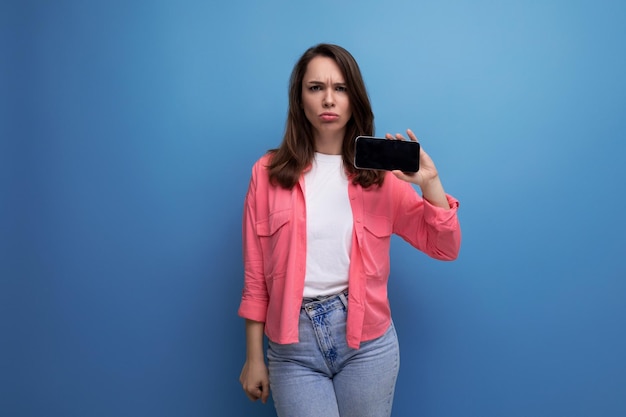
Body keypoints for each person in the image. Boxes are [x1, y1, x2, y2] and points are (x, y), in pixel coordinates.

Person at [238, 43, 461, 417]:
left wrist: (430, 184)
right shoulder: (267, 173)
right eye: (315, 88)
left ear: (354, 98)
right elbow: (255, 274)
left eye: (340, 88)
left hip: (368, 344)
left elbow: (445, 247)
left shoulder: (381, 179)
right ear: (300, 99)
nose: (328, 99)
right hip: (293, 348)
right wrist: (253, 357)